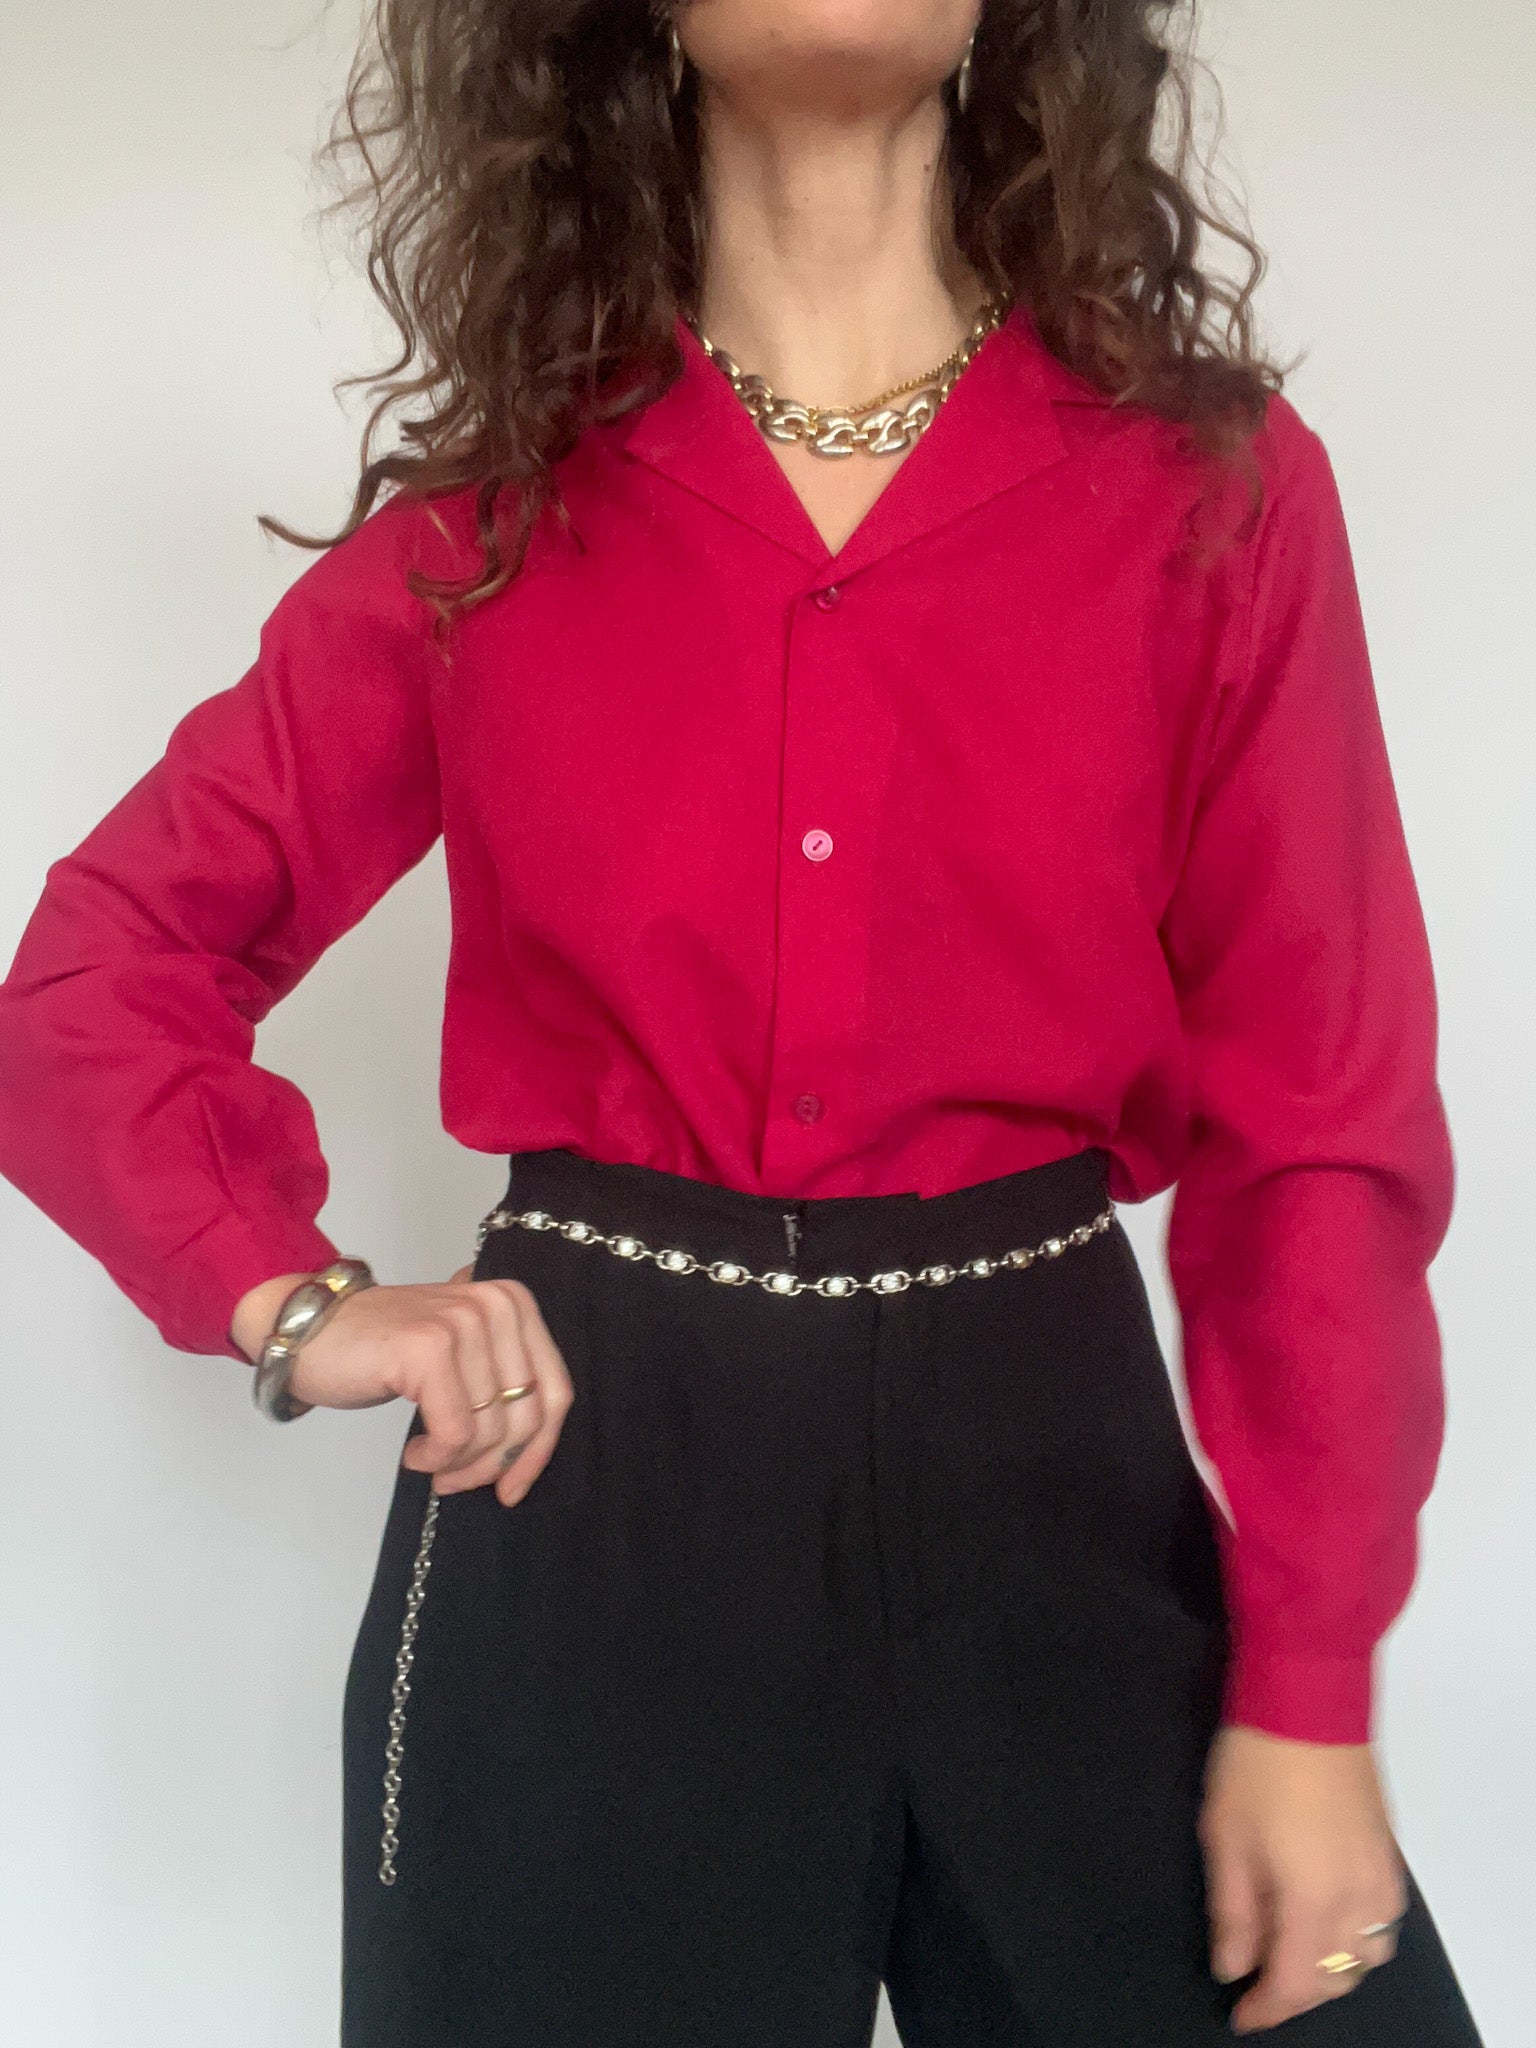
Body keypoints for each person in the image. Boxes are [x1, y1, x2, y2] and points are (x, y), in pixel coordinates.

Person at [0, 3, 1487, 2043]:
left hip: (1057, 1474)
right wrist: (291, 1297)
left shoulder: (1211, 495)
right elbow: (96, 981)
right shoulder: (490, 524)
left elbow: (1317, 1124)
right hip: (585, 1504)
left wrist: (1309, 1684)